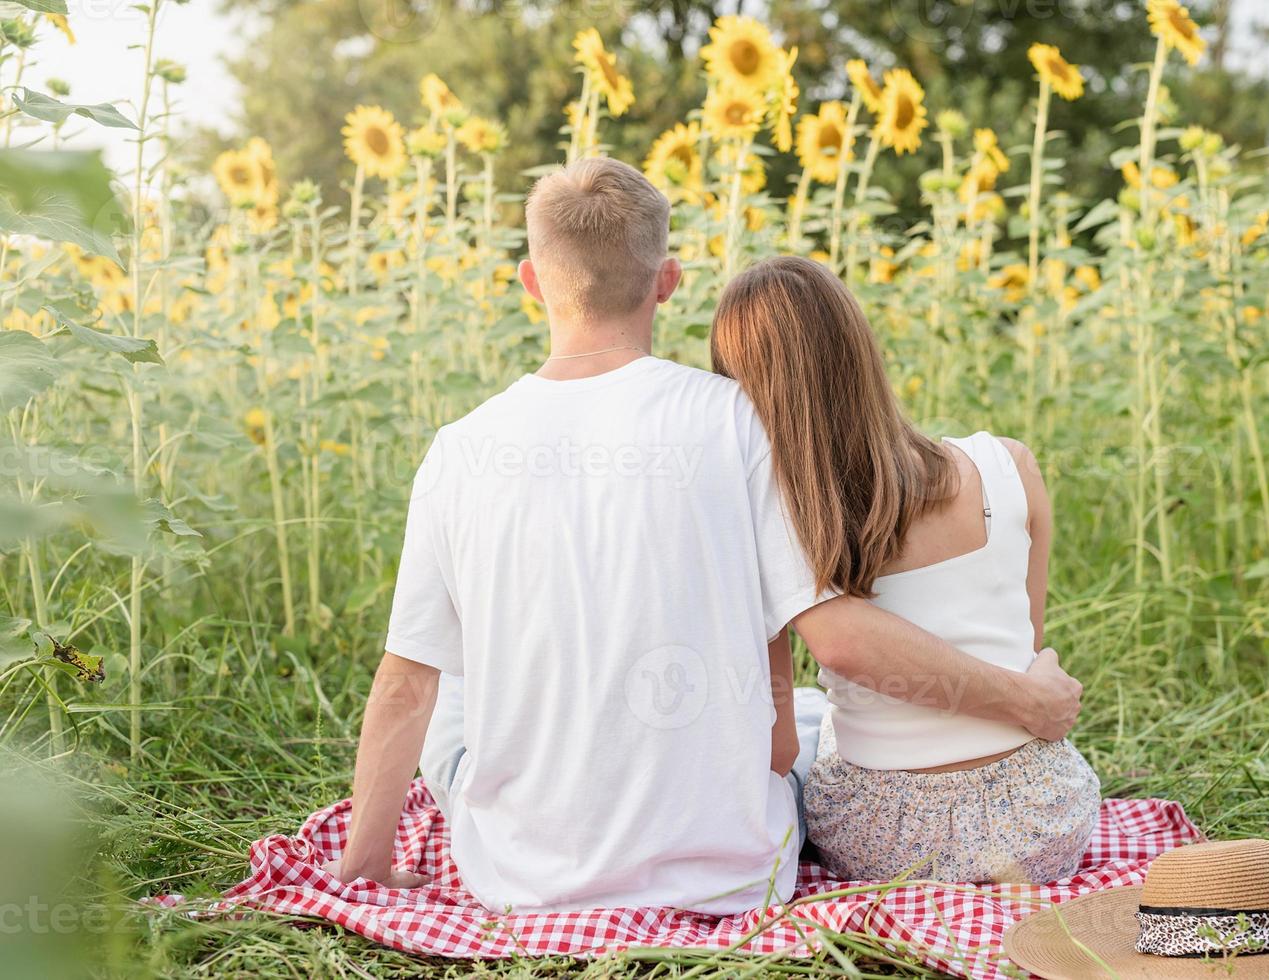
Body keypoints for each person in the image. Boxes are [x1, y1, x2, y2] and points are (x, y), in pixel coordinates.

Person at [329, 159, 1084, 913]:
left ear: (531, 281)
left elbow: (404, 685)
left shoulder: (458, 448)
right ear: (666, 280)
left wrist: (367, 865)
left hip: (522, 878)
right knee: (794, 702)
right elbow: (790, 692)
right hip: (729, 877)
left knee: (450, 683)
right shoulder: (738, 421)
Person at [710, 255, 1100, 884]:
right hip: (1041, 824)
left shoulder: (783, 519)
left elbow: (779, 749)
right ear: (860, 349)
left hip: (885, 844)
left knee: (812, 722)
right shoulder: (1010, 466)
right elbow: (1023, 647)